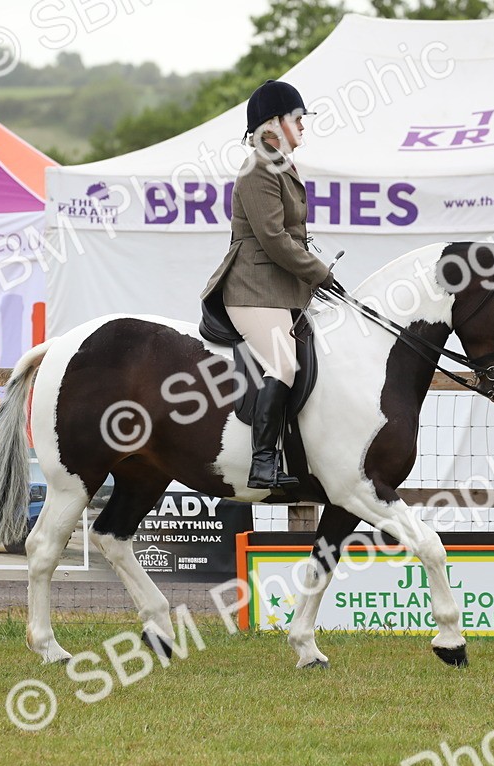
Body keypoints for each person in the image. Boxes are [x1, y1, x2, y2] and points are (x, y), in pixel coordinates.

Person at [201, 79, 334, 490]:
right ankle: (262, 462)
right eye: (298, 119)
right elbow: (274, 238)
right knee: (282, 361)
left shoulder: (280, 164)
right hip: (252, 287)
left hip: (277, 288)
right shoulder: (259, 167)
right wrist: (319, 272)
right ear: (274, 123)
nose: (304, 126)